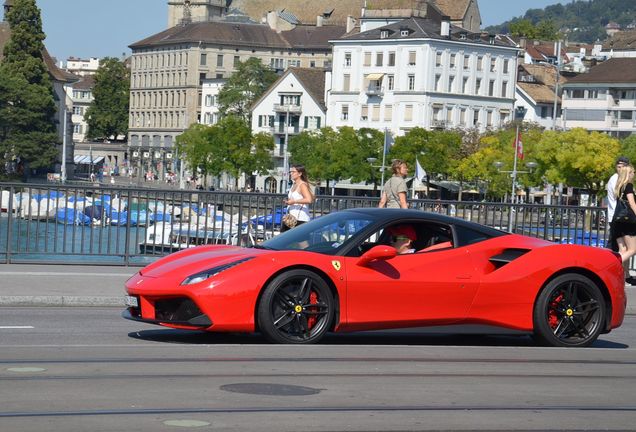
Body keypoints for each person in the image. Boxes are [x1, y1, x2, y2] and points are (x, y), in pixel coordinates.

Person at [613, 164, 636, 285]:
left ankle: (621, 276)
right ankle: (611, 264)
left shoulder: (619, 186)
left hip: (618, 221)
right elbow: (632, 203)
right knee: (632, 249)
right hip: (628, 222)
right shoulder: (629, 186)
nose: (634, 175)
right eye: (633, 172)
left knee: (623, 249)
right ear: (628, 174)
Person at [282, 164, 314, 232]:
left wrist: (294, 201)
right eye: (290, 172)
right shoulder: (294, 184)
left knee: (302, 242)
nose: (291, 173)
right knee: (284, 240)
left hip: (301, 219)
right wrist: (288, 201)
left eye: (293, 172)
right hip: (291, 218)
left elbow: (309, 199)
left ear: (299, 173)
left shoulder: (302, 185)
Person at [607, 156, 629, 252]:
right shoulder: (615, 179)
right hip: (617, 216)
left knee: (617, 246)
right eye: (618, 166)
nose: (620, 169)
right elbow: (620, 196)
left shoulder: (621, 178)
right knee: (615, 246)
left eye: (623, 166)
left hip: (619, 216)